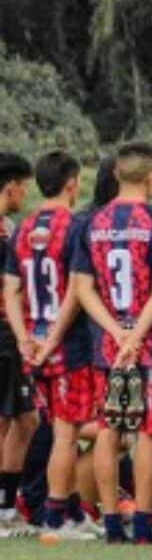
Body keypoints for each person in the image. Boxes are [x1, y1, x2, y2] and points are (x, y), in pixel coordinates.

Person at [70, 140, 152, 544]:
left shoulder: (92, 222)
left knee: (107, 429)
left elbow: (82, 288)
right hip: (151, 343)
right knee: (150, 431)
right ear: (151, 175)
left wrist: (116, 333)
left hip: (107, 345)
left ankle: (113, 524)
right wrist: (135, 333)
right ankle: (145, 525)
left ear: (116, 173)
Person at [3, 151, 99, 543]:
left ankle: (73, 510)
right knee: (66, 432)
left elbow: (10, 290)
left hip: (34, 346)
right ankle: (56, 517)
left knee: (60, 427)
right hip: (66, 345)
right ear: (72, 184)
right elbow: (77, 291)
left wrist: (26, 337)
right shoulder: (75, 227)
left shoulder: (22, 228)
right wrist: (55, 339)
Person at [0, 152, 35, 538]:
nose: (24, 192)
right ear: (10, 185)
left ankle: (8, 508)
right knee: (6, 421)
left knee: (26, 420)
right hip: (4, 333)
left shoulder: (9, 227)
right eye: (23, 186)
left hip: (14, 333)